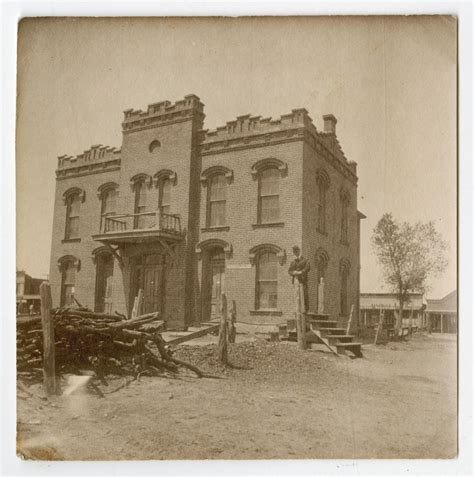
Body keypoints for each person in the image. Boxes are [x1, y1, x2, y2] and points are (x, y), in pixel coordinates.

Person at [288, 245, 310, 312]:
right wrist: (293, 272)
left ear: (299, 251)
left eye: (296, 251)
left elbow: (307, 268)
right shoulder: (293, 262)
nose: (295, 253)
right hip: (296, 280)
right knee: (296, 295)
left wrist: (301, 272)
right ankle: (297, 310)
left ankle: (305, 310)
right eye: (294, 251)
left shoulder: (305, 260)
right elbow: (289, 271)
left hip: (303, 280)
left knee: (304, 294)